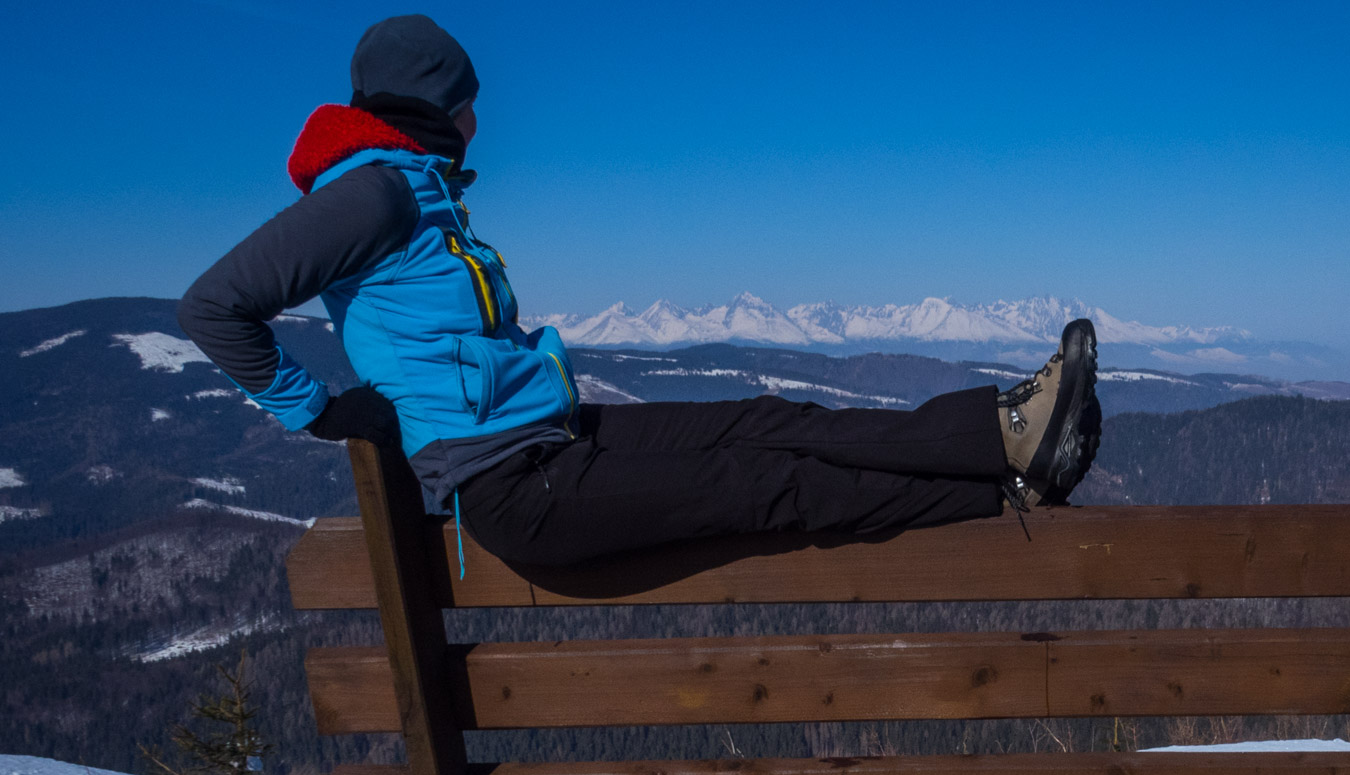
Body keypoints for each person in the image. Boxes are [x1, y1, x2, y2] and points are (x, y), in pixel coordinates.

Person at [178, 15, 1101, 567]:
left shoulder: (418, 193)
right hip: (513, 488)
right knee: (765, 481)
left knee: (768, 418)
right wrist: (323, 411)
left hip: (549, 438)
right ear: (428, 103)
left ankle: (999, 432)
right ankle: (1001, 495)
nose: (475, 117)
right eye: (464, 99)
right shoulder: (372, 191)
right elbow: (214, 305)